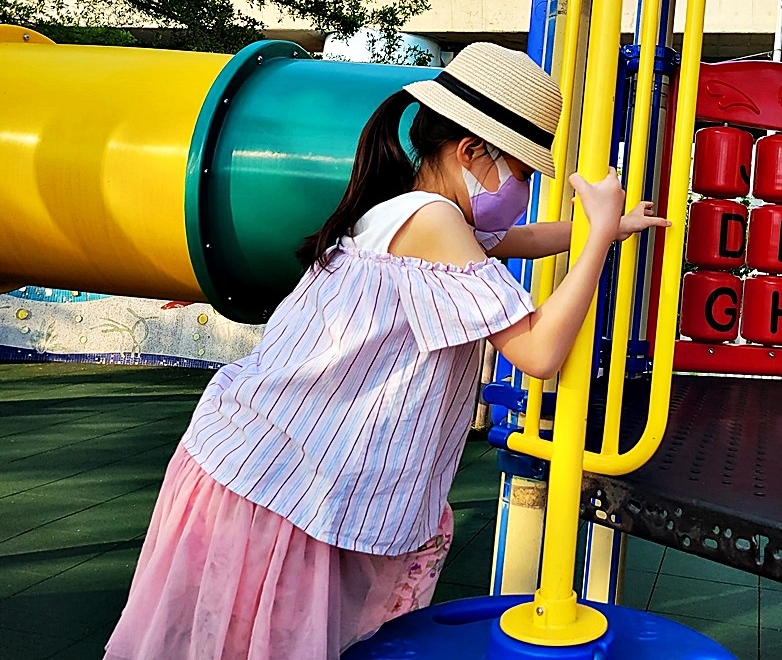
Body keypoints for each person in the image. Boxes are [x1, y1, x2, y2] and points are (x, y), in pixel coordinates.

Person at [103, 43, 669, 660]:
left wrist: (608, 225)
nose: (525, 188)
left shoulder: (410, 209)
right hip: (281, 484)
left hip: (265, 463)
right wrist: (595, 248)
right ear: (472, 152)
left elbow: (521, 238)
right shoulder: (434, 222)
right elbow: (537, 351)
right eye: (523, 171)